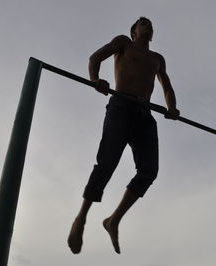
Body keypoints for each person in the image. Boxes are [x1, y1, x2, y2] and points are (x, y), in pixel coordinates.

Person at [67, 17, 180, 254]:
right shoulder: (123, 43)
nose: (148, 26)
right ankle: (81, 218)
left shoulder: (157, 59)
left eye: (151, 24)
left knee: (149, 171)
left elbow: (166, 87)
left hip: (144, 114)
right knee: (107, 163)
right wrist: (94, 80)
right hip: (121, 106)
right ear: (133, 31)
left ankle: (113, 220)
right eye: (143, 23)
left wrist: (171, 107)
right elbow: (94, 58)